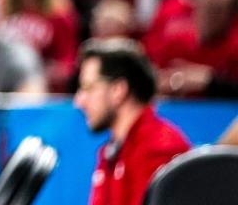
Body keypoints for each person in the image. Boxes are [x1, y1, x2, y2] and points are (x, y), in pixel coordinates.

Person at [73, 39, 191, 205]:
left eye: (88, 87)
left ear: (118, 90)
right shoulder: (112, 151)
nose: (79, 101)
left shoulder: (159, 148)